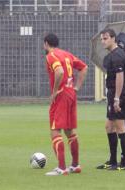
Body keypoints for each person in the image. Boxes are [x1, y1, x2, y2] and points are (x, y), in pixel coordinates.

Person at [43, 33, 88, 175]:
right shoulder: (67, 54)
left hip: (62, 94)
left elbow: (59, 72)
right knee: (69, 130)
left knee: (55, 130)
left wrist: (54, 92)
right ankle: (75, 165)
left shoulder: (51, 56)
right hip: (71, 94)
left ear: (46, 44)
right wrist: (77, 87)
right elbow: (84, 68)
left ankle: (62, 168)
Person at [96, 28, 125, 171]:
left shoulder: (117, 55)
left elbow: (121, 77)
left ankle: (124, 163)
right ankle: (112, 160)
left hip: (118, 95)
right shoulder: (111, 55)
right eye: (102, 39)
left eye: (105, 38)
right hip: (113, 94)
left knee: (120, 126)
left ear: (113, 38)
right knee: (109, 127)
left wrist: (117, 98)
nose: (103, 41)